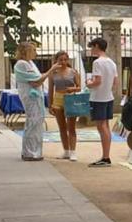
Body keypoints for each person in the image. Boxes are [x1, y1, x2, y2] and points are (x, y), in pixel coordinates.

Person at [12, 42, 56, 161]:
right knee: (33, 122)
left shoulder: (30, 63)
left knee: (37, 123)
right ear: (26, 51)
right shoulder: (21, 64)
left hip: (36, 97)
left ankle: (35, 151)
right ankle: (29, 152)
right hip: (30, 97)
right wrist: (50, 70)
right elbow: (36, 81)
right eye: (33, 50)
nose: (35, 53)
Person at [86, 37, 119, 168]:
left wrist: (89, 83)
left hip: (98, 97)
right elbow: (116, 82)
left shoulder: (98, 63)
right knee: (105, 126)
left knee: (101, 126)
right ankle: (106, 155)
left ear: (97, 46)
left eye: (92, 47)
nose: (91, 50)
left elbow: (97, 81)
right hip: (108, 96)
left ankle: (106, 157)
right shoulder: (111, 62)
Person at [47, 51, 80, 161]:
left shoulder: (73, 72)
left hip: (70, 99)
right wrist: (50, 104)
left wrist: (73, 89)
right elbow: (51, 90)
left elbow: (79, 87)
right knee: (62, 127)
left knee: (71, 127)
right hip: (58, 99)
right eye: (60, 60)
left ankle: (73, 151)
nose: (63, 62)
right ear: (56, 60)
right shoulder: (53, 73)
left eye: (65, 59)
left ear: (68, 60)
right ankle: (66, 151)